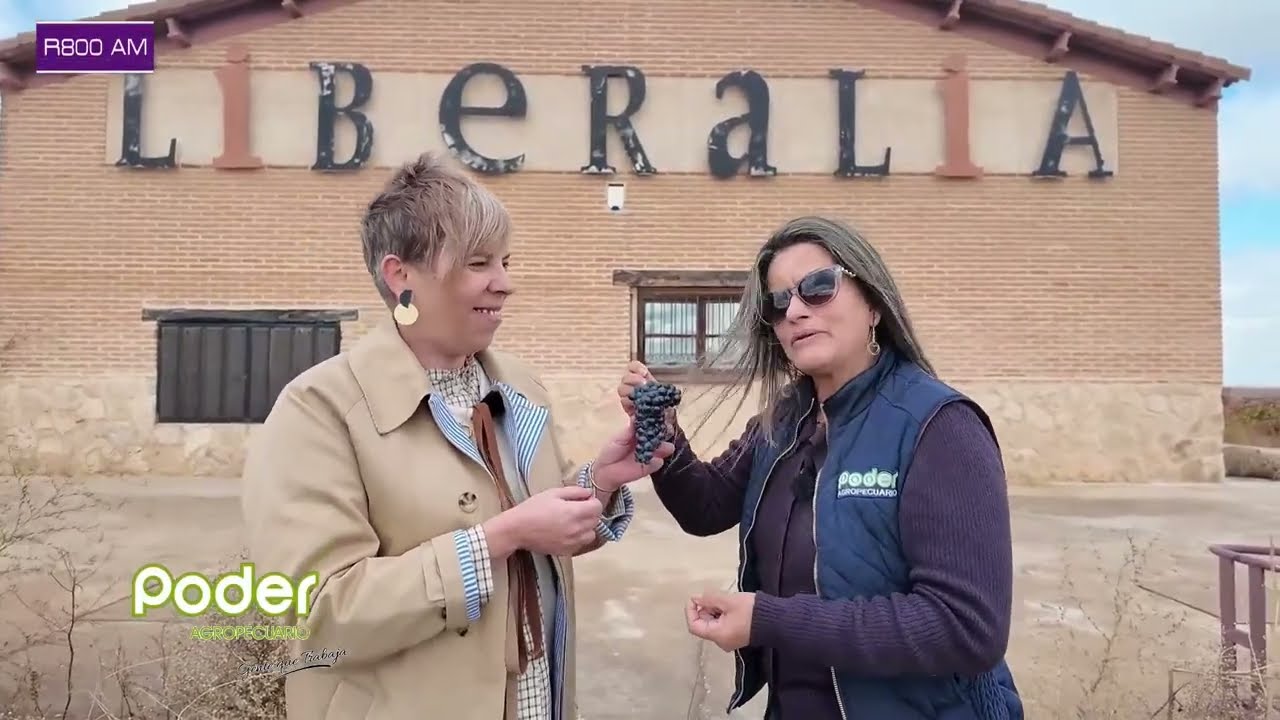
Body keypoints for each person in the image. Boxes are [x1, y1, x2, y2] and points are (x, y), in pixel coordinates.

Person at [241, 151, 673, 720]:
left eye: (506, 261)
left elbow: (542, 534)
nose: (505, 284)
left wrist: (600, 482)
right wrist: (498, 537)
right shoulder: (319, 410)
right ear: (402, 278)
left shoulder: (519, 386)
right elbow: (317, 614)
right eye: (478, 263)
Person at [617, 216, 1022, 719]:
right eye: (779, 303)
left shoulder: (939, 427)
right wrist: (666, 438)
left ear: (872, 302)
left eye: (819, 287)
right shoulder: (785, 421)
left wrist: (771, 620)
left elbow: (965, 627)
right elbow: (706, 505)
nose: (797, 312)